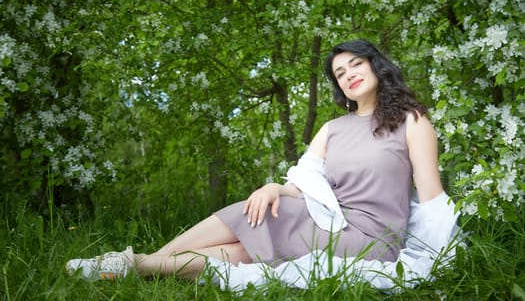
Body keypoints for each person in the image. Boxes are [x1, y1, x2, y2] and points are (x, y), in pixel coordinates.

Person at [66, 39, 444, 281]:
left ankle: (130, 264)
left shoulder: (411, 121)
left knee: (260, 238)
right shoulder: (331, 129)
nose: (349, 76)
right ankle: (136, 266)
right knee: (256, 215)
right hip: (326, 220)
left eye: (355, 65)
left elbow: (431, 199)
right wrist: (272, 187)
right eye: (339, 74)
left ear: (375, 65)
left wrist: (431, 260)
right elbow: (303, 184)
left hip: (370, 239)